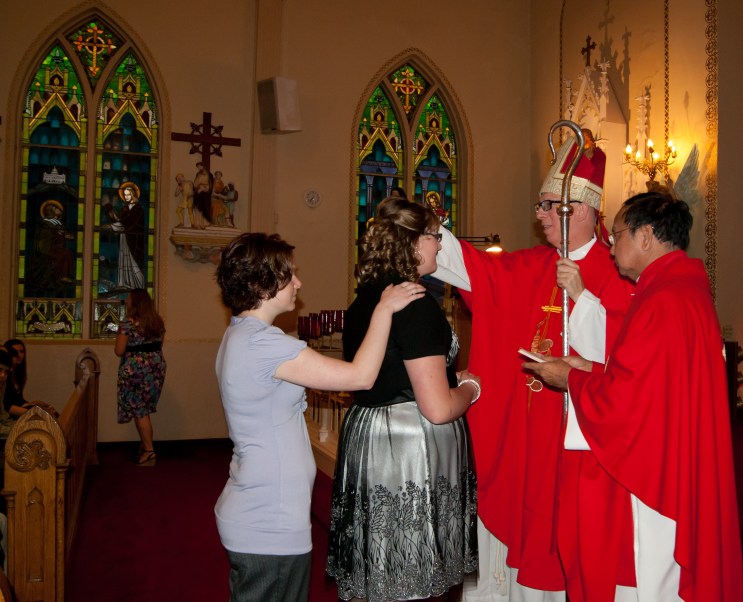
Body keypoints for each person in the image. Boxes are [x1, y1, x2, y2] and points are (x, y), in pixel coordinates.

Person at [431, 135, 634, 601]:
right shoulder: (533, 265)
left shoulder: (617, 271)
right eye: (541, 205)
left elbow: (626, 354)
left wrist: (583, 296)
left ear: (578, 210)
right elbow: (477, 271)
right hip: (526, 434)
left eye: (547, 206)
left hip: (577, 439)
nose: (539, 214)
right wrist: (427, 230)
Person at [525, 191, 743, 601]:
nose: (611, 247)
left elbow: (628, 402)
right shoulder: (680, 290)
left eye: (618, 235)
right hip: (677, 449)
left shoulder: (664, 300)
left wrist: (569, 379)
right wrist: (591, 368)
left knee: (653, 575)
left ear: (646, 236)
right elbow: (652, 381)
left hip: (660, 467)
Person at [214, 232, 425, 602]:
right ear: (261, 283)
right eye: (289, 274)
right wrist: (383, 310)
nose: (298, 283)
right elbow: (361, 376)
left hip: (259, 511)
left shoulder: (244, 335)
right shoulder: (264, 344)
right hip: (268, 520)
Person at [326, 197, 480, 602]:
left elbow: (392, 367)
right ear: (411, 242)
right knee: (407, 576)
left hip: (369, 432)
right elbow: (438, 408)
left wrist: (449, 376)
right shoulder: (415, 303)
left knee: (380, 569)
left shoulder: (365, 299)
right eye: (434, 236)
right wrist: (471, 388)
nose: (440, 245)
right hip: (406, 445)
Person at [115, 289, 167, 466]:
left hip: (135, 370)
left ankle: (149, 451)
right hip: (155, 367)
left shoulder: (127, 324)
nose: (126, 301)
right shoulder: (157, 322)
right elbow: (158, 345)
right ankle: (145, 445)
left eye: (129, 298)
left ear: (135, 302)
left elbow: (119, 350)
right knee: (143, 409)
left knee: (139, 409)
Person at [105, 183, 145, 290]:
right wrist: (111, 214)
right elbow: (121, 222)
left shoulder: (139, 209)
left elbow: (131, 223)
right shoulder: (125, 209)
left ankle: (137, 285)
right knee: (123, 259)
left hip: (134, 240)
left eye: (128, 194)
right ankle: (124, 283)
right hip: (124, 237)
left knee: (133, 261)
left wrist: (113, 226)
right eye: (125, 195)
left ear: (133, 194)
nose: (126, 197)